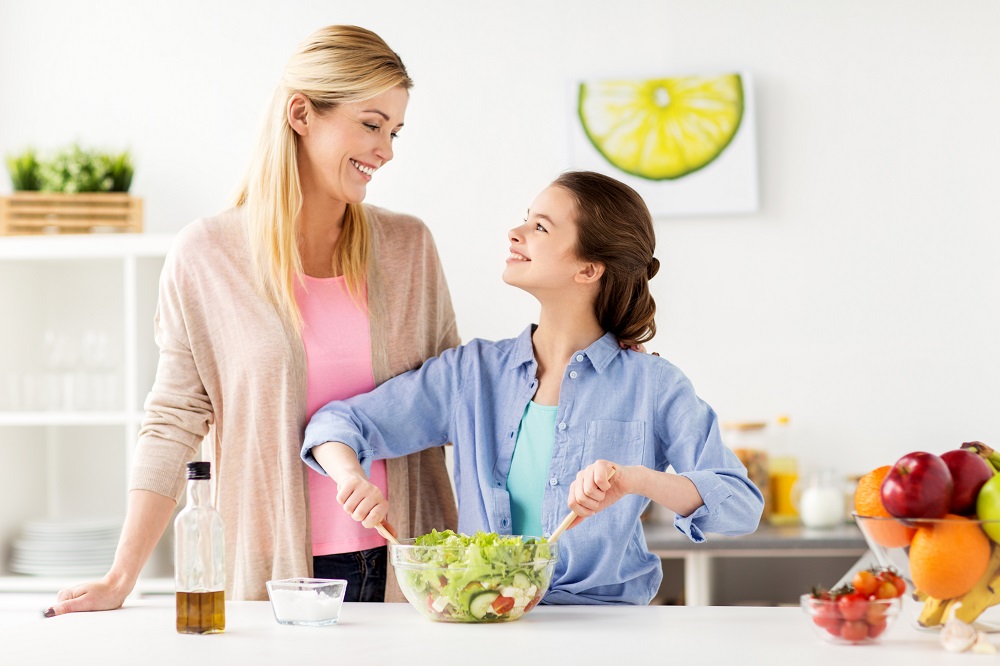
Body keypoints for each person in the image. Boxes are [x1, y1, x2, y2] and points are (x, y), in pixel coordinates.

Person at [46, 25, 458, 616]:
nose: (386, 150)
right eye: (371, 124)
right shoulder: (207, 255)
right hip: (276, 576)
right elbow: (173, 420)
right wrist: (121, 576)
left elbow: (456, 397)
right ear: (301, 114)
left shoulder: (409, 247)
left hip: (411, 568)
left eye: (394, 132)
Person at [301, 170, 764, 605]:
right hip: (487, 620)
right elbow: (337, 422)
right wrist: (349, 477)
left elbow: (739, 505)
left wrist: (634, 480)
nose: (515, 233)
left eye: (540, 227)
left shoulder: (653, 385)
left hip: (611, 631)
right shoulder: (473, 374)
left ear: (588, 269)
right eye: (525, 219)